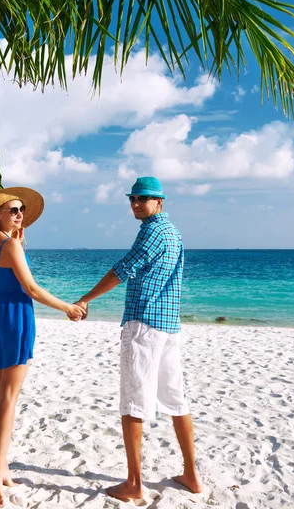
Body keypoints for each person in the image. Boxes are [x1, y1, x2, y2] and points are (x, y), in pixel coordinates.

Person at [76, 176, 202, 500]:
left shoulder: (153, 231)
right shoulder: (174, 234)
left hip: (145, 326)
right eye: (131, 198)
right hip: (168, 327)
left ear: (159, 202)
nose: (135, 203)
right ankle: (191, 475)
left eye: (142, 198)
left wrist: (85, 299)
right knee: (176, 400)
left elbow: (122, 270)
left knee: (133, 404)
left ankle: (134, 484)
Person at [0, 186, 86, 507]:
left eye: (21, 209)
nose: (20, 214)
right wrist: (68, 307)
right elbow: (32, 288)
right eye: (13, 210)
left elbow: (5, 276)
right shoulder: (10, 246)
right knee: (8, 398)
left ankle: (2, 466)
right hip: (17, 318)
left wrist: (17, 242)